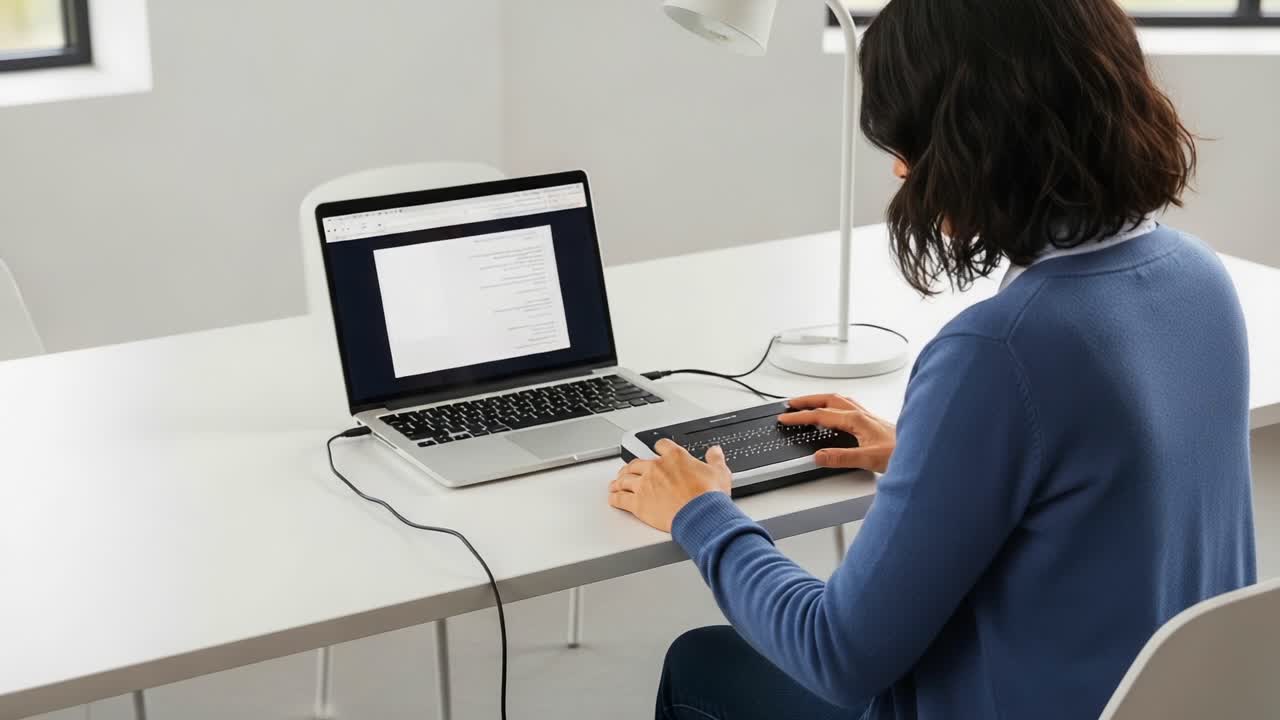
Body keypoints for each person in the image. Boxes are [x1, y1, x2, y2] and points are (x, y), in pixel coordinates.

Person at [606, 0, 1257, 718]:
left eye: (911, 141)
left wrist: (702, 513)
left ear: (977, 140)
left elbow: (837, 654)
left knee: (699, 664)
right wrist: (932, 454)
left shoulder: (1001, 350)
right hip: (1163, 701)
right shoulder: (1199, 277)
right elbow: (1094, 492)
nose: (898, 167)